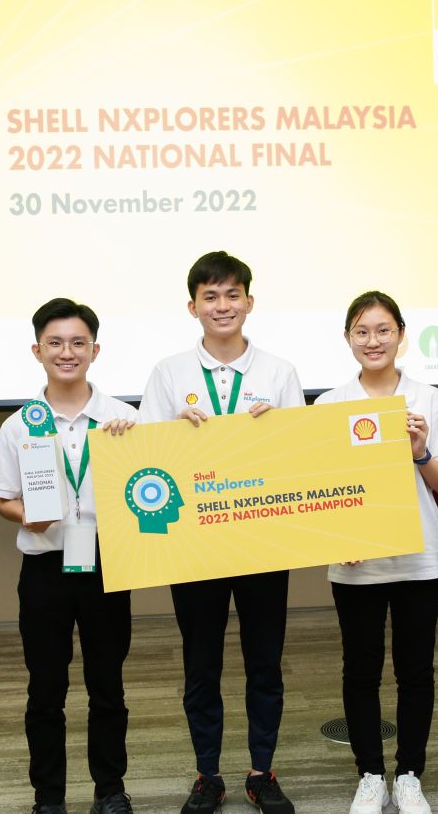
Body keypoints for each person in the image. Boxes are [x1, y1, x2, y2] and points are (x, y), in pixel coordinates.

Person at [137, 251, 304, 814]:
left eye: (232, 294)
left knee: (265, 660)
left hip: (261, 542)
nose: (222, 305)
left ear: (249, 302)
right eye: (210, 296)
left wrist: (277, 432)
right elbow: (147, 460)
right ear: (193, 307)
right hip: (195, 546)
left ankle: (262, 770)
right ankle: (208, 774)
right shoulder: (168, 373)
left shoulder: (279, 373)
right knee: (201, 663)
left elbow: (301, 460)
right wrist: (171, 433)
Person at [314, 292, 438, 814]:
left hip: (419, 560)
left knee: (416, 670)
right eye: (361, 331)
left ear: (401, 334)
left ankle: (410, 774)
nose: (372, 341)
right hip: (355, 564)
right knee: (360, 670)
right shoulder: (329, 405)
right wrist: (338, 535)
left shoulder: (429, 400)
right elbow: (320, 490)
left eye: (382, 330)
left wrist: (420, 450)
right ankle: (371, 773)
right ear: (348, 338)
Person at [0, 298, 138, 814]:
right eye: (55, 343)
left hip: (106, 566)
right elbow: (3, 499)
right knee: (45, 690)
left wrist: (133, 446)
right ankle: (48, 798)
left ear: (95, 350)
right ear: (37, 350)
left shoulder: (125, 418)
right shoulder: (17, 425)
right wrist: (24, 514)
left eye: (78, 343)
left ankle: (110, 790)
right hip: (44, 570)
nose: (67, 352)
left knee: (108, 688)